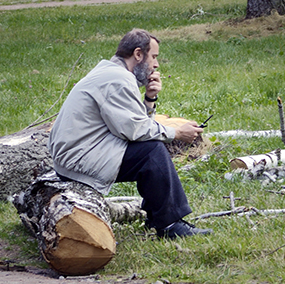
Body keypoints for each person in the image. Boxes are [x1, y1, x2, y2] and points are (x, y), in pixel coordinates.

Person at [48, 29, 209, 239]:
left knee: (149, 149)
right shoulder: (117, 79)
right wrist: (176, 132)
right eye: (154, 57)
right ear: (138, 54)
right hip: (78, 161)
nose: (156, 65)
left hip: (73, 157)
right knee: (152, 152)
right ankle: (169, 225)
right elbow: (135, 131)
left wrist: (150, 99)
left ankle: (157, 219)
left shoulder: (110, 72)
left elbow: (133, 124)